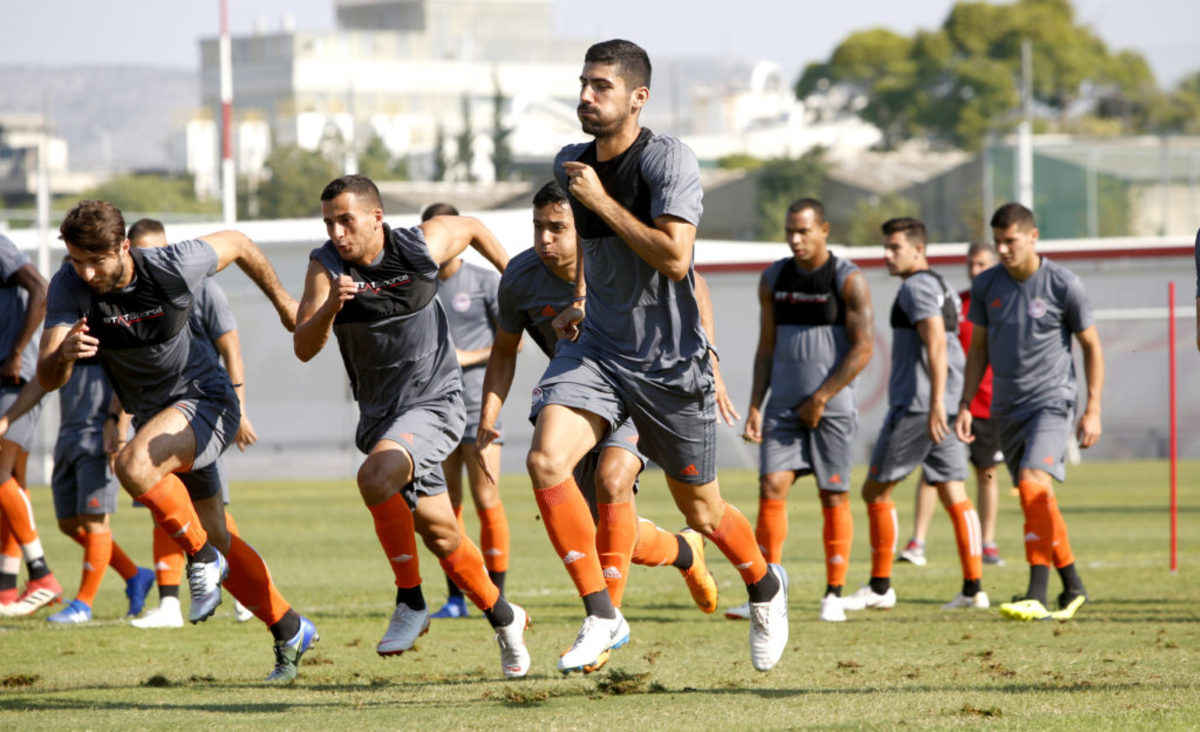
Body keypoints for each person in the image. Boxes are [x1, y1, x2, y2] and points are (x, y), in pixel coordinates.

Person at [529, 39, 787, 675]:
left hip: (671, 364)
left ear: (638, 98)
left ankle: (764, 587)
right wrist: (583, 298)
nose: (586, 97)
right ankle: (602, 615)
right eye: (583, 84)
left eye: (601, 87)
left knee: (699, 508)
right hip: (599, 352)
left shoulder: (667, 159)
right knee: (545, 459)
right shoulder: (572, 162)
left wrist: (598, 202)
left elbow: (675, 257)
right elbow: (593, 250)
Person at [38, 199, 317, 681]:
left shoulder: (169, 265)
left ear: (124, 247)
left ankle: (200, 557)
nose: (85, 273)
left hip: (208, 400)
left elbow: (240, 243)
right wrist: (63, 354)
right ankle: (290, 628)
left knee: (132, 465)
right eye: (76, 260)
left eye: (96, 261)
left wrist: (285, 304)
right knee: (220, 533)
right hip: (162, 418)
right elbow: (45, 376)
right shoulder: (69, 284)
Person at [294, 174, 530, 679]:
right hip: (382, 415)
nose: (337, 233)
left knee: (374, 478)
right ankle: (506, 618)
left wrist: (519, 286)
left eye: (346, 221)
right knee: (443, 534)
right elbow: (303, 346)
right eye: (329, 222)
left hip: (436, 402)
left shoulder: (419, 246)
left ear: (377, 219)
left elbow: (473, 227)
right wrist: (332, 308)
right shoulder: (326, 266)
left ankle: (411, 600)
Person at [475, 180, 722, 618]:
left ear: (583, 228)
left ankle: (606, 621)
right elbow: (503, 351)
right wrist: (487, 417)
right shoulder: (520, 277)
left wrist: (711, 363)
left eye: (557, 227)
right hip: (582, 396)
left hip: (639, 383)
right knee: (601, 529)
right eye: (537, 227)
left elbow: (693, 283)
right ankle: (684, 551)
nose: (544, 239)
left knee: (614, 479)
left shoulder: (616, 255)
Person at [955, 202, 1102, 621]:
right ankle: (1072, 585)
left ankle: (1035, 590)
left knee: (1032, 485)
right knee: (1039, 499)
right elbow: (978, 349)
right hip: (1006, 408)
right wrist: (966, 402)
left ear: (1033, 237)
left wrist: (1092, 409)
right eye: (998, 241)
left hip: (1052, 402)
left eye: (1011, 241)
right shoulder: (987, 287)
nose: (1002, 249)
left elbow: (1092, 346)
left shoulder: (1063, 284)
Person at [736, 197, 873, 624]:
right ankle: (766, 592)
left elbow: (863, 347)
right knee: (771, 487)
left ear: (824, 230)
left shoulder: (847, 280)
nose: (795, 239)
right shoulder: (773, 278)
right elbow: (767, 347)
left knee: (833, 493)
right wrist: (756, 405)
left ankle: (834, 592)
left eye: (803, 231)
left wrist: (821, 398)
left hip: (831, 409)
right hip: (782, 408)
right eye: (789, 231)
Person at [841, 218, 987, 615]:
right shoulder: (941, 286)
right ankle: (974, 588)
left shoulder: (917, 287)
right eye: (885, 247)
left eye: (894, 248)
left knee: (875, 491)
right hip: (942, 404)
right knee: (954, 491)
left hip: (920, 408)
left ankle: (879, 586)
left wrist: (936, 402)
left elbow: (937, 343)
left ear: (918, 250)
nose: (887, 255)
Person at [126, 219, 254, 628]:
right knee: (162, 505)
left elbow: (231, 349)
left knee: (212, 517)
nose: (153, 260)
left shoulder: (203, 287)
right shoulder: (128, 296)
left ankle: (246, 589)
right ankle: (168, 603)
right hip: (155, 416)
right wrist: (120, 418)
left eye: (160, 250)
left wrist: (239, 410)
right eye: (144, 252)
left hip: (202, 412)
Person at [0, 353, 156, 624]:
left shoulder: (108, 327)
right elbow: (42, 380)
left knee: (95, 522)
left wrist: (118, 433)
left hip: (99, 438)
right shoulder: (67, 333)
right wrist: (8, 418)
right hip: (68, 437)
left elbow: (126, 380)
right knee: (69, 523)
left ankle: (83, 604)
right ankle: (135, 574)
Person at [421, 202, 512, 620]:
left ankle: (499, 592)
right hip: (436, 411)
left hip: (478, 409)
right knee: (445, 505)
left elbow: (510, 343)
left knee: (486, 497)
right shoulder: (420, 286)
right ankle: (457, 597)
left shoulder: (485, 282)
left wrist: (465, 357)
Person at [900, 242, 1006, 568]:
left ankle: (987, 542)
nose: (975, 271)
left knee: (986, 472)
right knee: (933, 472)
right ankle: (917, 540)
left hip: (989, 404)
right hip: (954, 402)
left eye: (981, 265)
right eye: (971, 264)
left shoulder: (1004, 302)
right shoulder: (956, 303)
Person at [0, 232, 63, 617]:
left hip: (13, 374)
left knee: (1, 472)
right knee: (11, 481)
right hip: (4, 369)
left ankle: (41, 573)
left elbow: (40, 288)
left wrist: (17, 352)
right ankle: (6, 586)